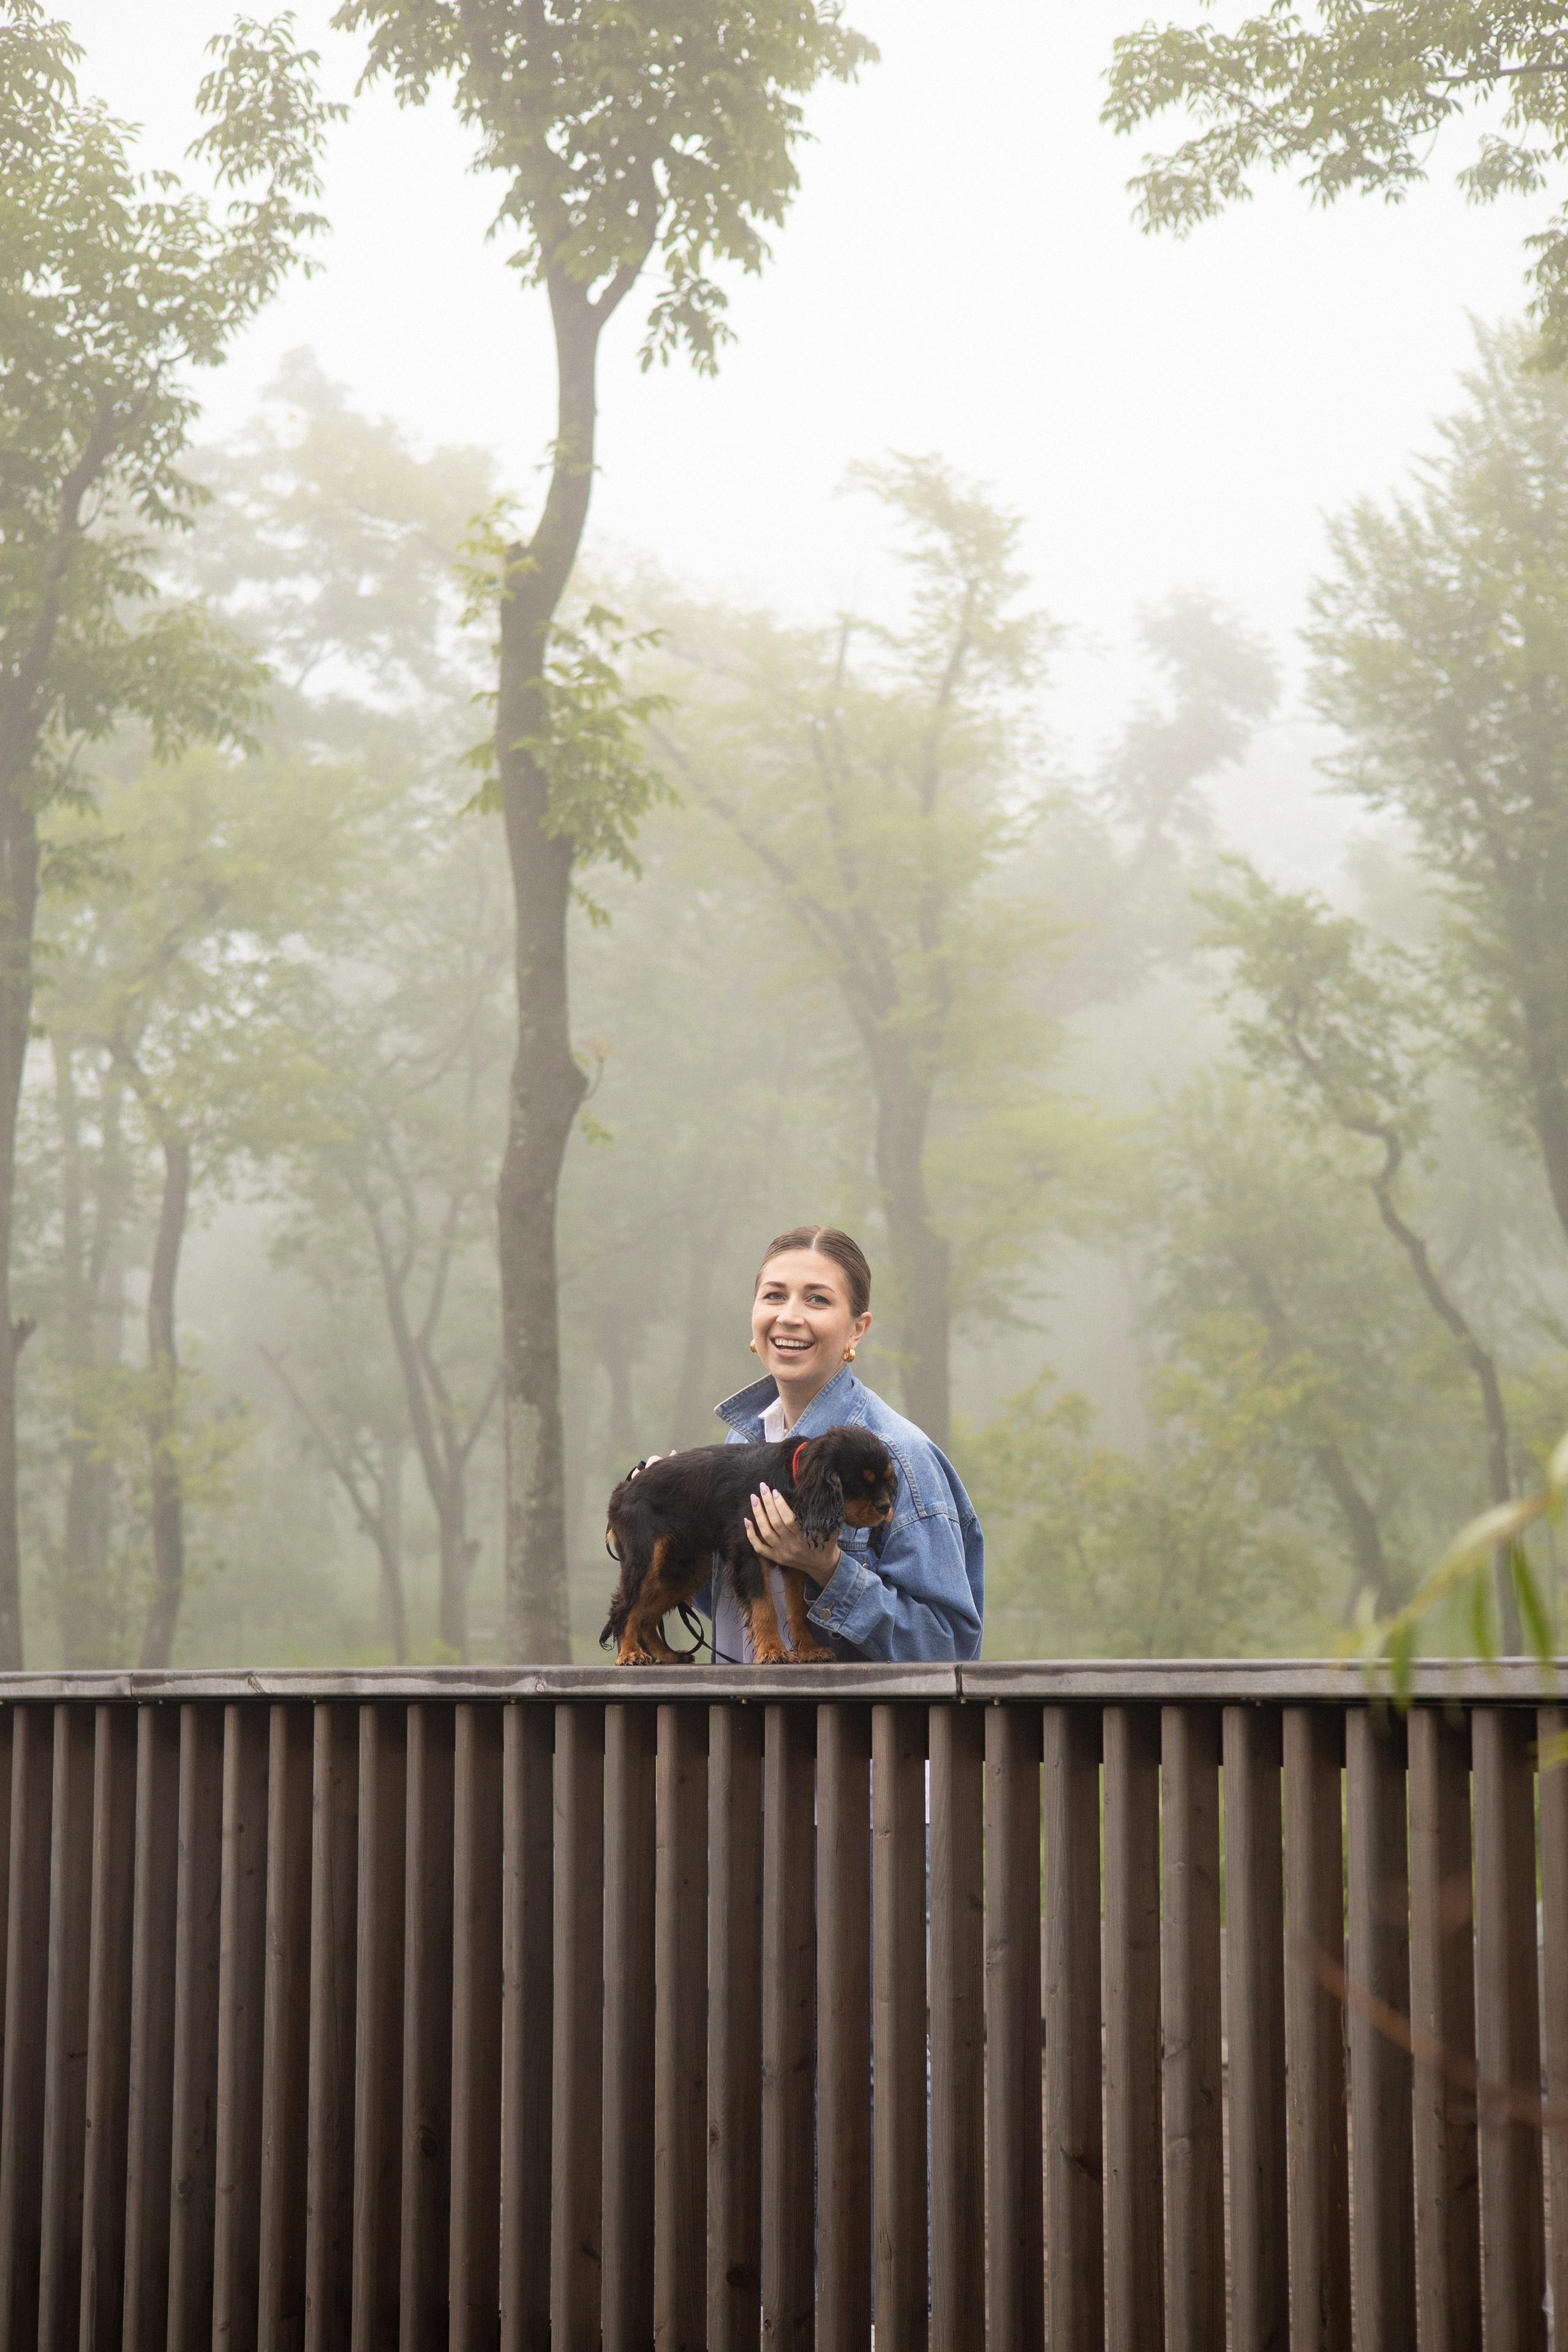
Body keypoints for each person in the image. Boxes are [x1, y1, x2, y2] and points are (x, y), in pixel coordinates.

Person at [701, 1224, 983, 1662]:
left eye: (817, 1299)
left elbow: (949, 1647)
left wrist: (827, 1568)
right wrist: (660, 1518)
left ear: (857, 1329)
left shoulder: (902, 1458)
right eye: (775, 1295)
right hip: (740, 1724)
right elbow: (732, 1601)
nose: (790, 1315)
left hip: (849, 1731)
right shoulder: (742, 1441)